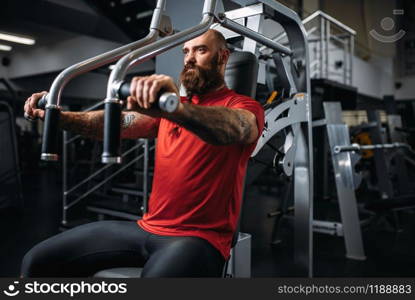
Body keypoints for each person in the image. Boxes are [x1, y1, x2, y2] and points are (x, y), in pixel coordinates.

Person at [21, 29, 264, 277]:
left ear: (223, 57)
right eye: (186, 51)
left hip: (199, 239)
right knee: (37, 261)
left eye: (200, 50)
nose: (189, 58)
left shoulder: (242, 106)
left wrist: (176, 110)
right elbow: (117, 122)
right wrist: (58, 117)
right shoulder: (167, 111)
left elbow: (234, 128)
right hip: (146, 228)